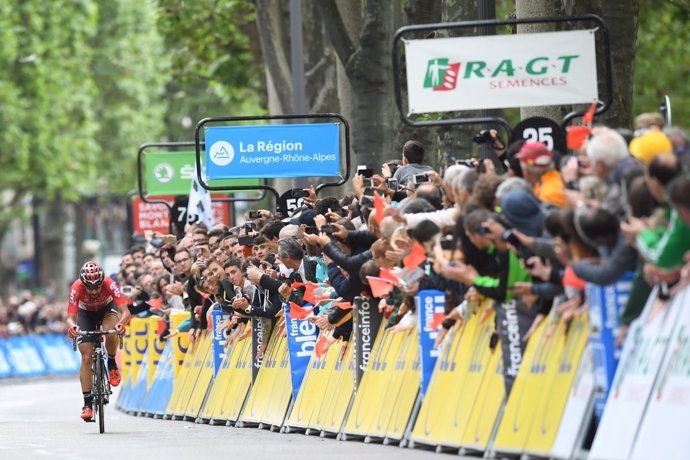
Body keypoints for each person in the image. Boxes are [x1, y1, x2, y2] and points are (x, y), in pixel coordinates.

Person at [66, 261, 130, 421]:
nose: (94, 291)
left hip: (106, 310)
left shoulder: (110, 283)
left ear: (102, 281)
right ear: (83, 283)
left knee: (111, 331)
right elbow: (70, 318)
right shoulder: (76, 287)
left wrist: (121, 324)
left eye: (97, 287)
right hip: (85, 314)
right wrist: (73, 327)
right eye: (90, 288)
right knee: (86, 357)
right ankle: (87, 404)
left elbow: (125, 312)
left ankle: (111, 362)